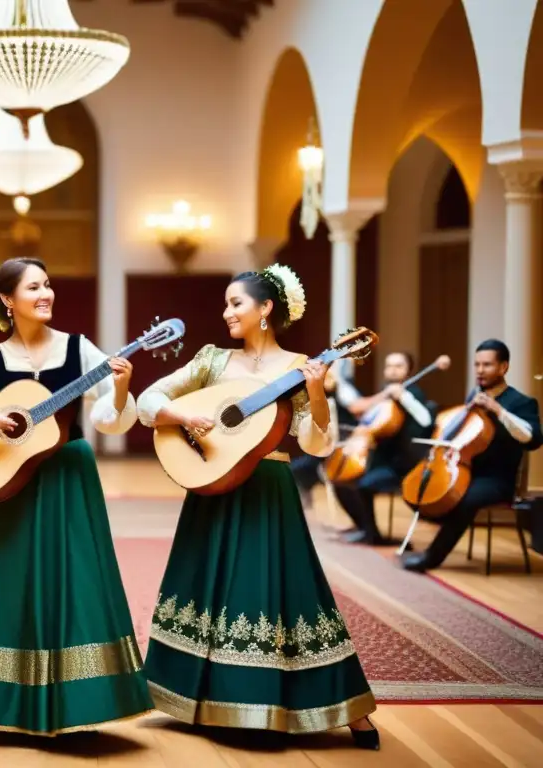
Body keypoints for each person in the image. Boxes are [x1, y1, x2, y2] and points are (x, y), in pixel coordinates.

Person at [136, 264, 379, 749]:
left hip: (267, 488)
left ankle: (331, 705)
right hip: (211, 481)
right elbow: (149, 399)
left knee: (289, 591)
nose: (226, 312)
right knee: (202, 585)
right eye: (226, 303)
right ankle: (191, 697)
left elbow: (317, 444)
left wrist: (315, 391)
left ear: (265, 309)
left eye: (236, 303)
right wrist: (187, 414)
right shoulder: (211, 361)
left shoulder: (300, 366)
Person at [0, 257, 153, 736]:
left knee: (80, 579)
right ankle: (12, 704)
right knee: (17, 582)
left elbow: (110, 419)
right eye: (33, 287)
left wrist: (122, 384)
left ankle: (84, 701)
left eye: (48, 284)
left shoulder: (79, 349)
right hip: (13, 484)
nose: (46, 294)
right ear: (8, 300)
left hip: (69, 473)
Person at [402, 339, 543, 572]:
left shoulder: (521, 402)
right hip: (465, 469)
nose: (479, 370)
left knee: (465, 501)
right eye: (477, 364)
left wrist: (499, 410)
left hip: (497, 479)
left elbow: (533, 439)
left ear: (503, 367)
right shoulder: (474, 396)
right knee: (425, 490)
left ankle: (431, 557)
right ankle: (439, 531)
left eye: (487, 365)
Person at [331, 352, 434, 544]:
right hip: (381, 458)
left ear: (409, 370)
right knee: (341, 481)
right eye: (389, 366)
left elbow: (426, 420)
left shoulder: (413, 393)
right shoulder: (386, 392)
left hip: (402, 462)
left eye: (398, 366)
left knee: (362, 484)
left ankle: (372, 534)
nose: (393, 370)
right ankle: (364, 527)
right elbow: (369, 416)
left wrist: (404, 398)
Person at [289, 357, 359, 510]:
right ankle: (304, 508)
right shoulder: (316, 393)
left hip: (339, 447)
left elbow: (356, 409)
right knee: (295, 470)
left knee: (297, 470)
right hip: (324, 448)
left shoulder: (344, 391)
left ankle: (303, 508)